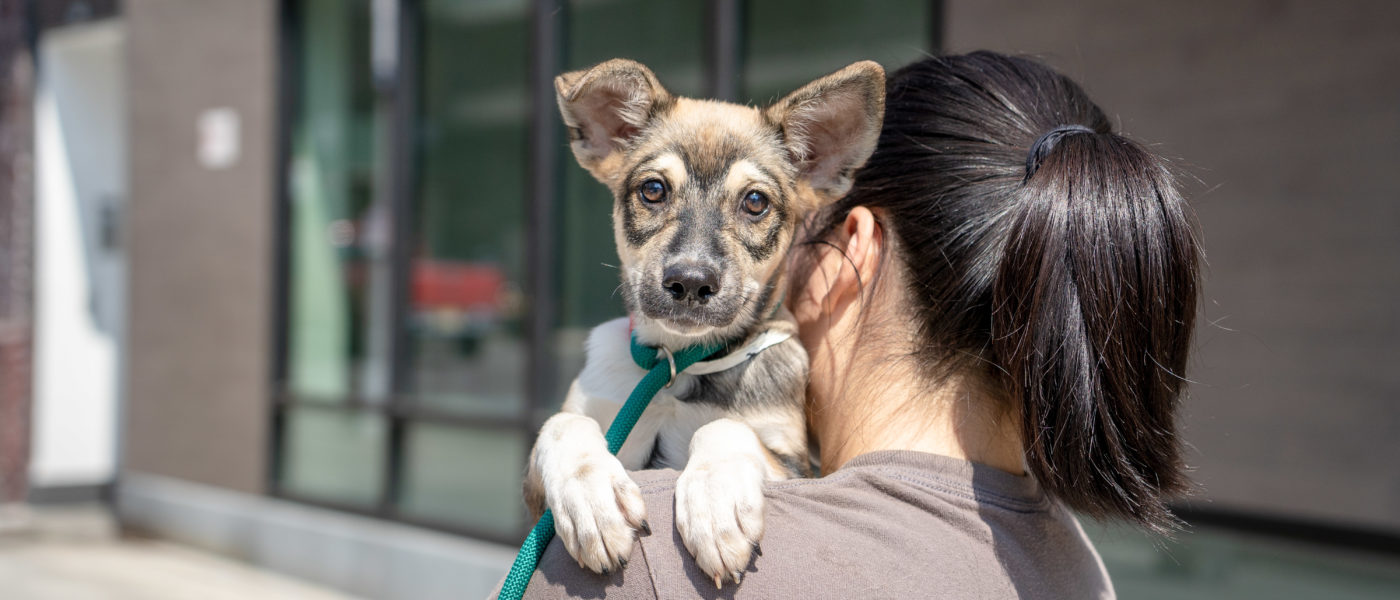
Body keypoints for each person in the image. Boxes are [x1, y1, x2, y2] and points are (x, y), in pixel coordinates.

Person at [513, 51, 1200, 599]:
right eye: (655, 191)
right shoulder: (1077, 572)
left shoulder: (640, 566)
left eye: (754, 206)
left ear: (858, 249)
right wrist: (566, 442)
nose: (693, 266)